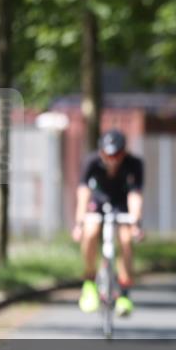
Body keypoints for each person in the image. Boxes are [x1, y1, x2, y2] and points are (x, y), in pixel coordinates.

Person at [74, 129, 145, 317]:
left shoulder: (134, 164)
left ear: (124, 152)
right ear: (101, 152)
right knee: (90, 233)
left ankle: (124, 293)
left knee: (126, 240)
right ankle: (89, 282)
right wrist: (79, 223)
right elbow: (83, 192)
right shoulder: (91, 162)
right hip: (97, 203)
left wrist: (136, 223)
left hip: (121, 205)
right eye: (108, 154)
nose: (113, 159)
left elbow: (135, 195)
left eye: (117, 154)